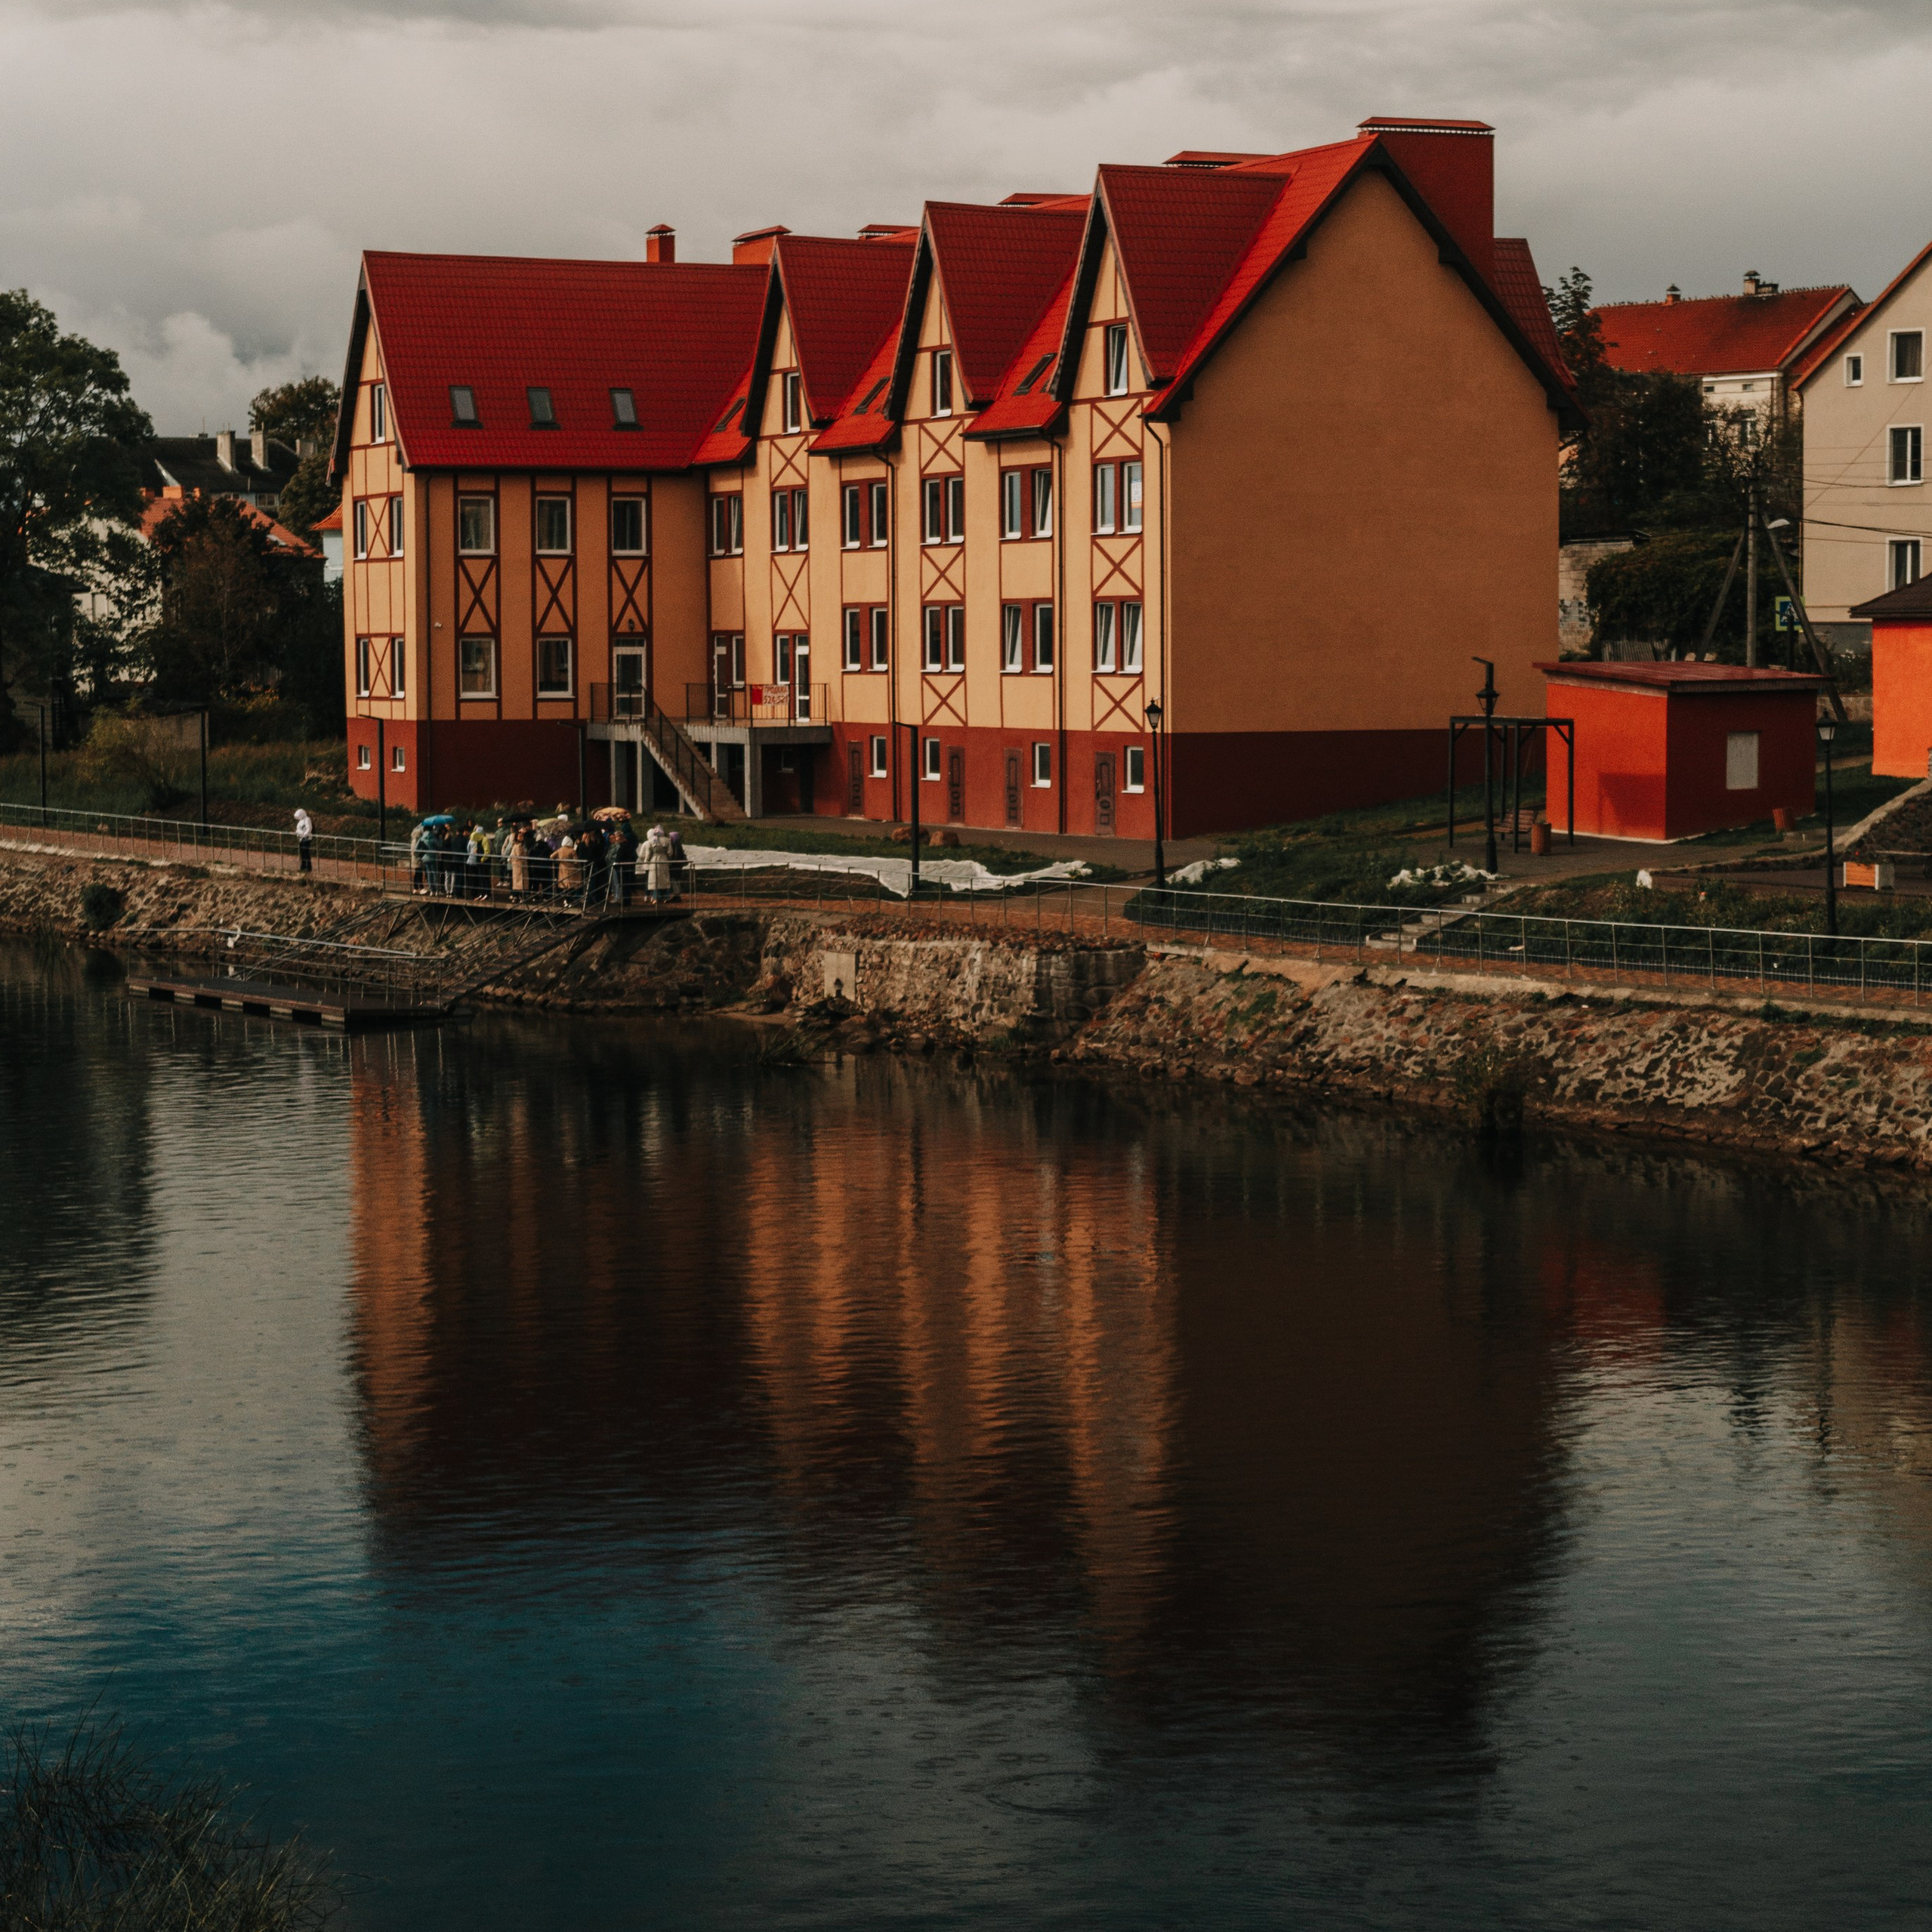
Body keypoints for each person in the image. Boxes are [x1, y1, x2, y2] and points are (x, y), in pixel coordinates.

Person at [643, 824, 672, 903]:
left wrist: (647, 861)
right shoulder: (667, 840)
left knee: (655, 880)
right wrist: (668, 859)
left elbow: (648, 854)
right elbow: (670, 853)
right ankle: (666, 896)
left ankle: (656, 897)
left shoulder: (651, 841)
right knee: (665, 879)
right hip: (664, 860)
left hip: (654, 861)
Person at [508, 825, 530, 900]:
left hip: (518, 866)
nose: (521, 837)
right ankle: (519, 896)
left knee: (518, 882)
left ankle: (516, 896)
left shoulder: (519, 845)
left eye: (522, 836)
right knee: (520, 882)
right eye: (520, 836)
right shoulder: (518, 846)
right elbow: (520, 855)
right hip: (519, 866)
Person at [294, 807, 313, 874]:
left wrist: (305, 834)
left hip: (306, 839)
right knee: (302, 853)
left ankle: (308, 867)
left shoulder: (307, 820)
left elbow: (309, 828)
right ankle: (303, 866)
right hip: (301, 839)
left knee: (306, 853)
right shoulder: (301, 821)